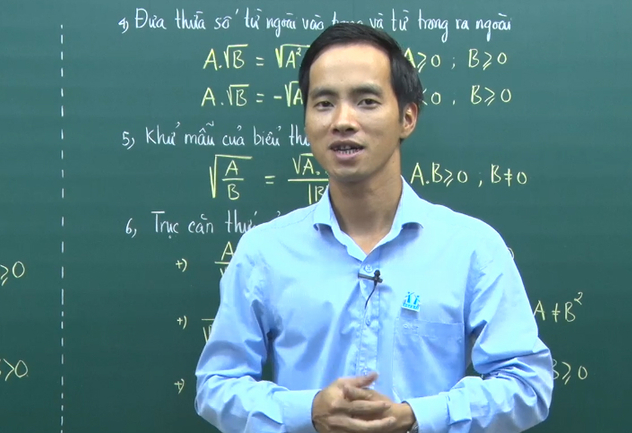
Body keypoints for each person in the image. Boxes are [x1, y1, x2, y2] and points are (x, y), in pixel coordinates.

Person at [194, 22, 553, 433]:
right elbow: (216, 386)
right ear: (306, 120)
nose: (342, 121)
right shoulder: (264, 251)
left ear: (407, 118)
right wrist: (307, 411)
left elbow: (528, 383)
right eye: (324, 103)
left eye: (366, 101)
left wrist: (418, 417)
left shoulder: (472, 248)